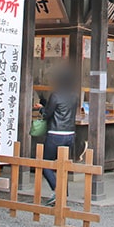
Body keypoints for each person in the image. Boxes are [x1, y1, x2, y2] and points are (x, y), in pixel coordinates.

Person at [37, 67, 78, 206]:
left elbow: (47, 114)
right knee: (63, 165)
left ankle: (57, 190)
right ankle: (63, 194)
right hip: (70, 134)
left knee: (45, 164)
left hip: (55, 133)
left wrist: (41, 108)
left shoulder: (56, 95)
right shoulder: (74, 95)